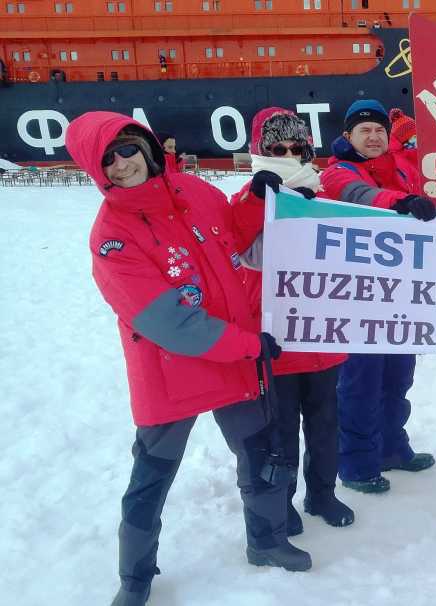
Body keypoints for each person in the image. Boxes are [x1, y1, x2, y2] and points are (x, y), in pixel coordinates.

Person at [66, 112, 311, 606]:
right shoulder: (111, 237)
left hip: (229, 359)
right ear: (97, 170)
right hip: (170, 373)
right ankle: (135, 577)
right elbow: (168, 322)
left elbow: (233, 237)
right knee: (152, 476)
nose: (121, 164)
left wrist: (254, 198)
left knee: (261, 454)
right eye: (107, 159)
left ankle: (266, 541)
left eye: (128, 149)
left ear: (148, 148)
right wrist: (248, 345)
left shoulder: (196, 192)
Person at [230, 107, 355, 533]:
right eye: (276, 148)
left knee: (325, 429)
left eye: (295, 148)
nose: (286, 155)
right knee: (280, 435)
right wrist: (257, 202)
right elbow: (243, 252)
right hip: (276, 345)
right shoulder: (246, 199)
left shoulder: (324, 200)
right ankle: (282, 504)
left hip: (323, 341)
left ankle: (322, 494)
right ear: (259, 152)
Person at [320, 99, 436, 494]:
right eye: (364, 130)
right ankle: (355, 464)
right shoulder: (337, 173)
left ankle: (391, 447)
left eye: (379, 131)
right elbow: (358, 196)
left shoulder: (403, 166)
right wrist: (400, 203)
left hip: (402, 292)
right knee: (359, 382)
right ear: (347, 136)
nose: (373, 136)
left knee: (397, 377)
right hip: (358, 296)